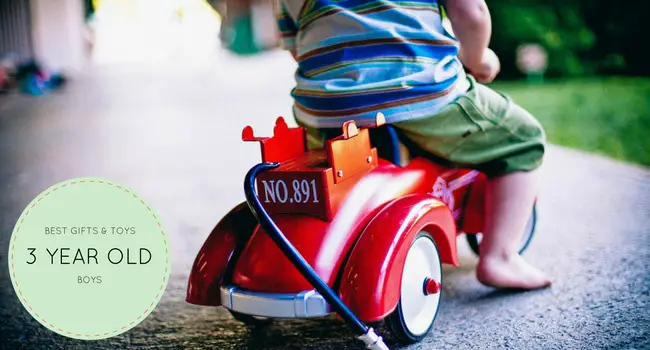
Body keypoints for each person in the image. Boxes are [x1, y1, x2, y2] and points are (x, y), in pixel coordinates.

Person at [274, 0, 551, 290]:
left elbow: (296, 45)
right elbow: (471, 12)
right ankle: (501, 257)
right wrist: (478, 58)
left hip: (324, 110)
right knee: (523, 138)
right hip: (418, 93)